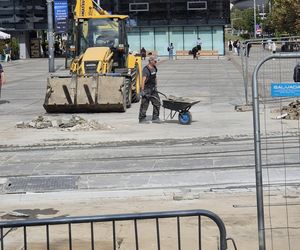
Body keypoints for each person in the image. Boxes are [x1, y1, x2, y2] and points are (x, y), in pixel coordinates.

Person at [138, 56, 161, 124]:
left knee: (157, 102)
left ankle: (155, 117)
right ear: (151, 61)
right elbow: (143, 80)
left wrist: (156, 86)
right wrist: (142, 90)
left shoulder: (154, 68)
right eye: (155, 61)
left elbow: (155, 77)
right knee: (145, 104)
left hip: (153, 89)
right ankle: (142, 118)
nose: (156, 62)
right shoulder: (146, 69)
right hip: (147, 89)